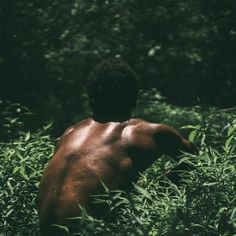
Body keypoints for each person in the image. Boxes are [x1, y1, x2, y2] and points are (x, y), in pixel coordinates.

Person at [38, 58, 196, 235]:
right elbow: (196, 160)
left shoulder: (69, 133)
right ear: (135, 100)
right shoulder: (145, 133)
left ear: (91, 99)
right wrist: (160, 188)